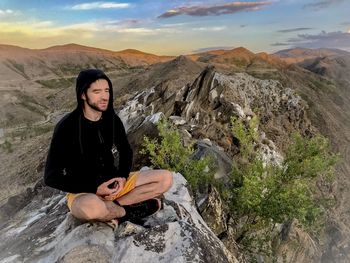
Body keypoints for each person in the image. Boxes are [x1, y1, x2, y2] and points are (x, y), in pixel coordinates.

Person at [44, 69, 173, 227]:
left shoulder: (112, 119)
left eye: (107, 90)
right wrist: (95, 188)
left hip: (115, 184)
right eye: (97, 91)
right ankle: (128, 212)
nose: (104, 96)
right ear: (83, 95)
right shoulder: (66, 127)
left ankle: (114, 210)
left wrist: (122, 177)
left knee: (166, 178)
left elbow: (125, 150)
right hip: (85, 191)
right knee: (89, 209)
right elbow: (51, 177)